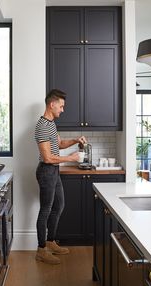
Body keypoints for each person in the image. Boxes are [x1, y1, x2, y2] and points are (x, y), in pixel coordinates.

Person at [34, 89, 87, 264]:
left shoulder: (51, 124)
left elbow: (60, 144)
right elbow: (48, 157)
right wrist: (70, 158)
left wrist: (75, 140)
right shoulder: (42, 126)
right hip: (46, 171)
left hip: (54, 171)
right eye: (61, 106)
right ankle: (41, 250)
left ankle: (51, 241)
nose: (63, 110)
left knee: (59, 205)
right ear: (52, 104)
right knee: (46, 210)